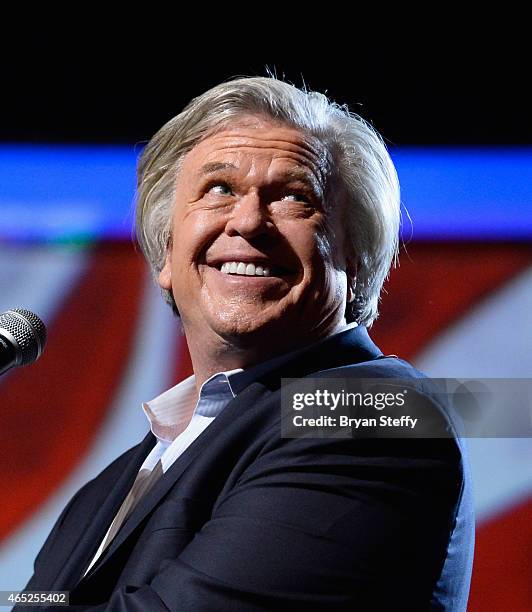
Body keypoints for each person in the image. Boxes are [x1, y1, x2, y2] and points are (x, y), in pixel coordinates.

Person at [20, 77, 474, 611]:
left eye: (293, 197)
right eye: (219, 189)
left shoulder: (373, 416)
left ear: (355, 259)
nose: (249, 221)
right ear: (166, 256)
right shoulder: (115, 483)